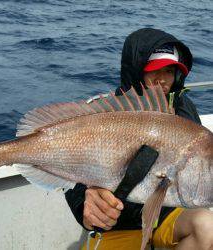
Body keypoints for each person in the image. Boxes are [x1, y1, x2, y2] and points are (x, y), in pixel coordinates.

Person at [65, 28, 213, 250]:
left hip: (167, 216)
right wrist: (85, 204)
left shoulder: (184, 108)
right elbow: (70, 172)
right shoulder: (105, 114)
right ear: (137, 70)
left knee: (207, 228)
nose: (163, 80)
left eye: (170, 71)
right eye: (155, 70)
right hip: (118, 224)